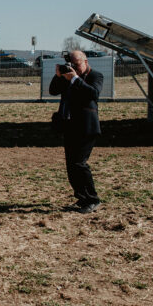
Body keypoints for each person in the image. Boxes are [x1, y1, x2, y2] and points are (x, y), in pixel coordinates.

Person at [49, 50, 104, 214]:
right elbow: (53, 90)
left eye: (77, 64)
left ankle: (92, 199)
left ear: (85, 61)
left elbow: (93, 94)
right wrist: (59, 75)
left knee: (80, 164)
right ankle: (82, 197)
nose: (74, 67)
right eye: (71, 64)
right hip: (70, 126)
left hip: (87, 127)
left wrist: (74, 78)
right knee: (71, 165)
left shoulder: (96, 76)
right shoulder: (67, 78)